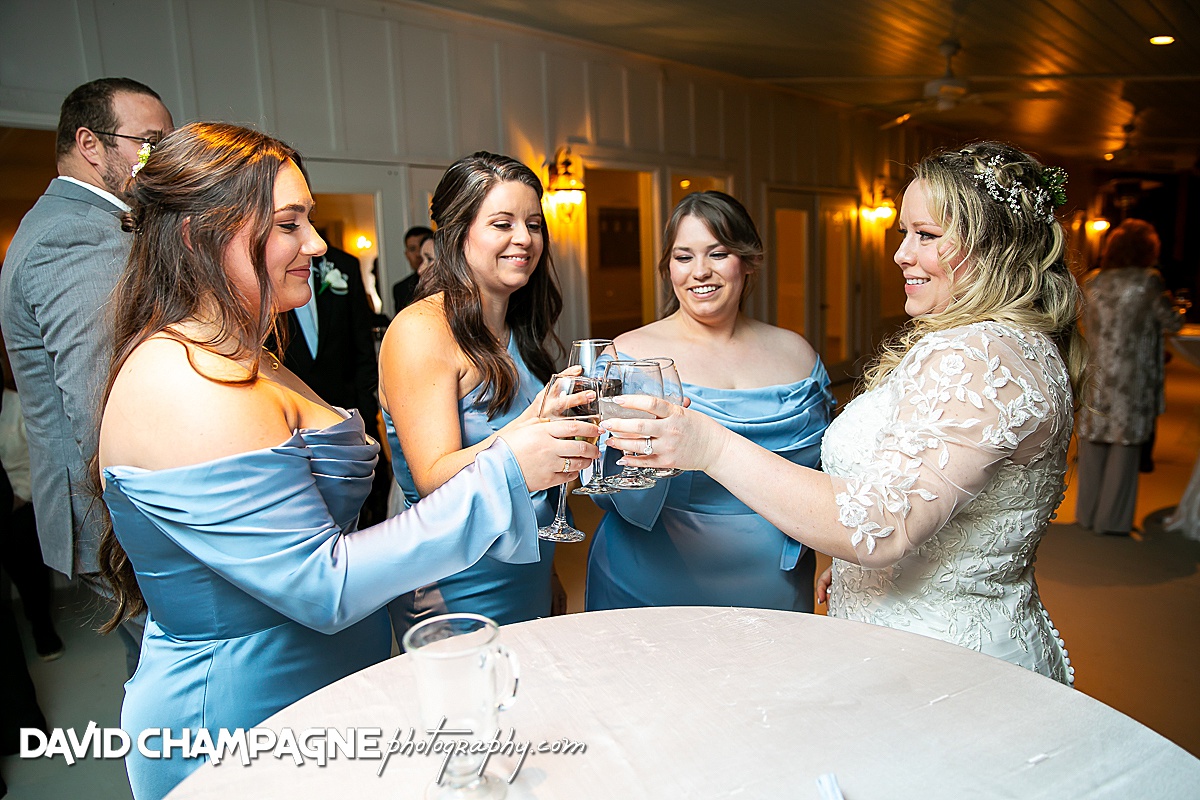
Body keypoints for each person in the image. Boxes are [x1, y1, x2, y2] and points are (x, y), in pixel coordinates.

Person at [94, 124, 597, 800]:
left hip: (325, 697)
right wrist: (510, 465)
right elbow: (323, 586)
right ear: (197, 236)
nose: (317, 243)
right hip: (240, 720)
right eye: (289, 224)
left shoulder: (244, 356)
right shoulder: (183, 382)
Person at [604, 142, 1084, 685]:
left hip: (939, 660)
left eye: (925, 234)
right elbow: (908, 493)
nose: (901, 253)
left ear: (992, 245)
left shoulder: (978, 356)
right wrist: (855, 565)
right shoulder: (1003, 345)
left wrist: (709, 445)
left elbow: (880, 523)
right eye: (904, 233)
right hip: (895, 622)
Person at [586, 191, 834, 612]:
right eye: (683, 257)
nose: (700, 271)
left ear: (749, 261)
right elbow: (600, 478)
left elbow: (833, 473)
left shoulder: (798, 354)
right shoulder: (628, 357)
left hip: (774, 583)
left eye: (718, 254)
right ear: (668, 268)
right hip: (650, 577)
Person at [0, 77, 173, 676]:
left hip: (114, 510)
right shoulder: (74, 234)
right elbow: (103, 399)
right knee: (184, 680)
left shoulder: (86, 222)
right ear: (90, 144)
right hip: (123, 516)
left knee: (154, 668)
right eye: (150, 141)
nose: (162, 156)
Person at [379, 151, 569, 637]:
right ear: (457, 233)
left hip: (526, 566)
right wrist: (528, 431)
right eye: (502, 224)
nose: (524, 239)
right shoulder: (422, 330)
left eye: (533, 224)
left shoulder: (518, 329)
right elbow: (433, 479)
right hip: (456, 577)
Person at [1075, 219, 1183, 535]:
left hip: (1097, 372)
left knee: (1092, 445)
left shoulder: (1093, 280)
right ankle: (1113, 520)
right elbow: (1172, 322)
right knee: (1125, 447)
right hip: (1131, 377)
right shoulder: (1148, 282)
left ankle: (1087, 514)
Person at [277, 242, 390, 526]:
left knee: (369, 507)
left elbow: (362, 342)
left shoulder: (343, 265)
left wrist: (365, 407)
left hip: (349, 412)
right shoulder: (268, 272)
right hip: (290, 425)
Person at [392, 224, 434, 311]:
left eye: (429, 258)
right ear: (406, 255)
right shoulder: (401, 289)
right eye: (412, 249)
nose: (418, 254)